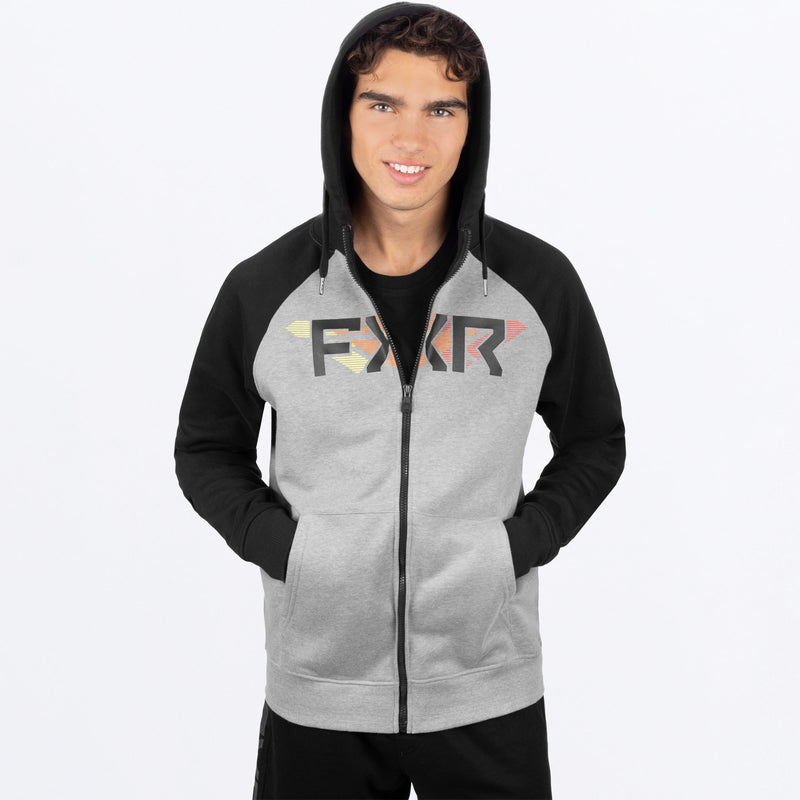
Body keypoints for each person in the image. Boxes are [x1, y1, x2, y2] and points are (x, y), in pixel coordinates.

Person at [174, 3, 626, 797]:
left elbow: (596, 440)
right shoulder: (266, 289)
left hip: (488, 686)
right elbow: (206, 448)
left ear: (472, 127)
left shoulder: (537, 285)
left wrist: (514, 548)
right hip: (319, 692)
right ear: (342, 117)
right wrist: (293, 554)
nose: (410, 138)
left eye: (441, 109)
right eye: (382, 104)